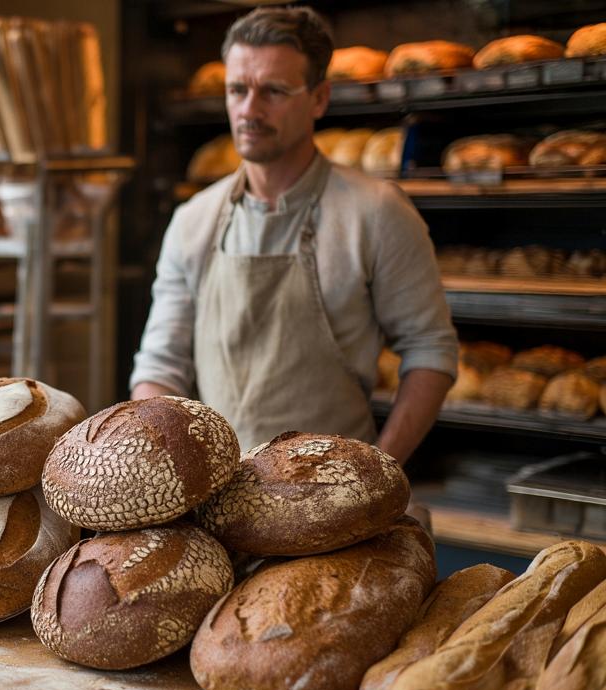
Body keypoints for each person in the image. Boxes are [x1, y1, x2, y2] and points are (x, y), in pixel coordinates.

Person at [129, 7, 458, 463]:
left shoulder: (375, 212)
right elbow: (160, 367)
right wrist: (165, 461)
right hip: (219, 493)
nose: (249, 109)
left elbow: (431, 351)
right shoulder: (194, 220)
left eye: (273, 91)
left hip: (334, 495)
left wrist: (380, 468)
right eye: (237, 90)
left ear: (319, 98)